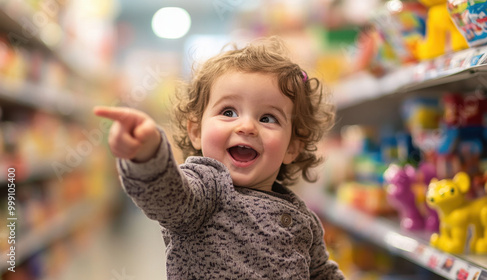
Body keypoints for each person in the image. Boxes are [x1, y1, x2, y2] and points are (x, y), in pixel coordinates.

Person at [94, 36, 345, 279]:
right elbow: (166, 196)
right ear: (196, 130)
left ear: (292, 147)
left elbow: (322, 273)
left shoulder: (302, 217)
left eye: (267, 118)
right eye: (228, 111)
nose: (246, 126)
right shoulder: (205, 188)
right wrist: (148, 154)